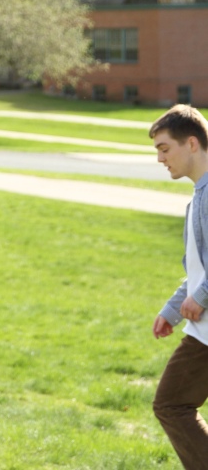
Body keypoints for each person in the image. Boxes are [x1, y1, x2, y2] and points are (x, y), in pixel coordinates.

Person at [149, 105, 208, 470]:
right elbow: (198, 270)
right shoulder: (198, 198)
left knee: (171, 404)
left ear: (192, 143)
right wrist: (172, 309)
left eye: (164, 148)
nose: (160, 158)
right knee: (172, 404)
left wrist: (200, 299)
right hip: (202, 328)